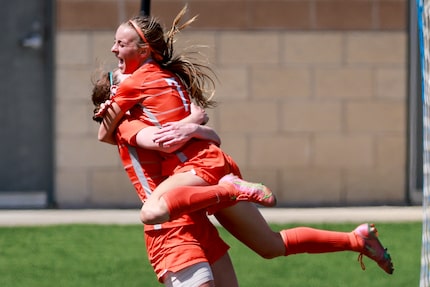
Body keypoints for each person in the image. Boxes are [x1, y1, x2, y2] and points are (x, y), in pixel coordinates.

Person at [97, 5, 394, 276]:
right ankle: (357, 239)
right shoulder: (171, 80)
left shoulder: (133, 89)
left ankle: (228, 191)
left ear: (145, 50)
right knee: (270, 245)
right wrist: (194, 124)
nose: (114, 51)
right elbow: (207, 129)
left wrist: (112, 110)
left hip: (198, 172)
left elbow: (113, 134)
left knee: (152, 210)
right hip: (213, 164)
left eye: (121, 44)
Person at [92, 69, 239, 287]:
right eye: (130, 78)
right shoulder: (127, 124)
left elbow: (214, 138)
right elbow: (164, 141)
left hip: (196, 220)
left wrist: (195, 127)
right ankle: (231, 189)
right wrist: (193, 120)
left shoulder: (156, 119)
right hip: (169, 228)